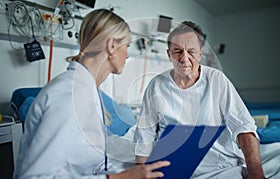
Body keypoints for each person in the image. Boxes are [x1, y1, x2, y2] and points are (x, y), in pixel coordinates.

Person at [13, 9, 170, 179]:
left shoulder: (88, 91)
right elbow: (32, 177)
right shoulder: (70, 95)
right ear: (112, 46)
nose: (127, 54)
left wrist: (135, 172)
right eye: (127, 46)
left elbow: (94, 164)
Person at [134, 21, 266, 178]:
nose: (184, 58)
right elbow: (145, 136)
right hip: (171, 166)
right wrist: (140, 174)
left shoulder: (216, 79)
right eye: (177, 51)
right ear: (169, 54)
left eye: (191, 51)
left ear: (200, 53)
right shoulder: (156, 85)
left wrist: (256, 172)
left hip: (219, 164)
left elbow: (244, 127)